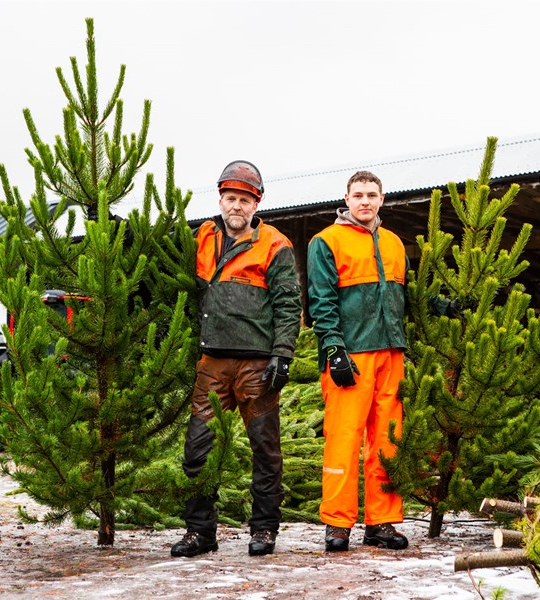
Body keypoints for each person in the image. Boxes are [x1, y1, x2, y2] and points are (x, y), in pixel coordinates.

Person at [170, 160, 301, 558]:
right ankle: (200, 532)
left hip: (256, 367)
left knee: (265, 449)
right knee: (197, 449)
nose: (236, 206)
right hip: (211, 365)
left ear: (256, 203)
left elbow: (288, 302)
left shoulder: (275, 245)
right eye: (231, 198)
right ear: (221, 199)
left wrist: (282, 354)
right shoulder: (201, 238)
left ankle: (263, 530)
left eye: (244, 200)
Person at [307, 170, 409, 552]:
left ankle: (381, 522)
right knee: (344, 440)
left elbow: (406, 297)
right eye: (358, 195)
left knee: (387, 441)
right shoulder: (326, 242)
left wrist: (442, 307)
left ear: (382, 199)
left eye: (371, 194)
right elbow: (321, 300)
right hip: (351, 355)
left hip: (392, 353)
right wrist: (334, 349)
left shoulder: (395, 244)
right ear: (346, 199)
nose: (365, 201)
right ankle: (338, 524)